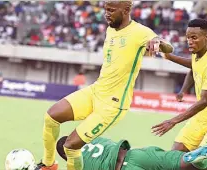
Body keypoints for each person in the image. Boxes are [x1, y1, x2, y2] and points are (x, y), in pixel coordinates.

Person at [36, 1, 174, 170]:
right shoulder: (111, 29)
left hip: (112, 105)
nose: (107, 14)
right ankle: (48, 165)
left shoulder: (140, 32)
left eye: (111, 10)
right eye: (106, 10)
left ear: (126, 10)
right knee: (51, 117)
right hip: (95, 91)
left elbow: (168, 47)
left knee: (71, 146)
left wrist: (158, 42)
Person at [151, 19, 207, 169]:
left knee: (199, 161)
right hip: (201, 118)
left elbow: (204, 101)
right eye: (188, 37)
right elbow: (193, 64)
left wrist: (173, 121)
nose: (189, 41)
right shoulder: (199, 54)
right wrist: (168, 56)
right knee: (174, 157)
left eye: (194, 38)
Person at [56, 136, 207, 170]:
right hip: (136, 154)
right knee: (176, 160)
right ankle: (200, 161)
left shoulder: (75, 165)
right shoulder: (95, 139)